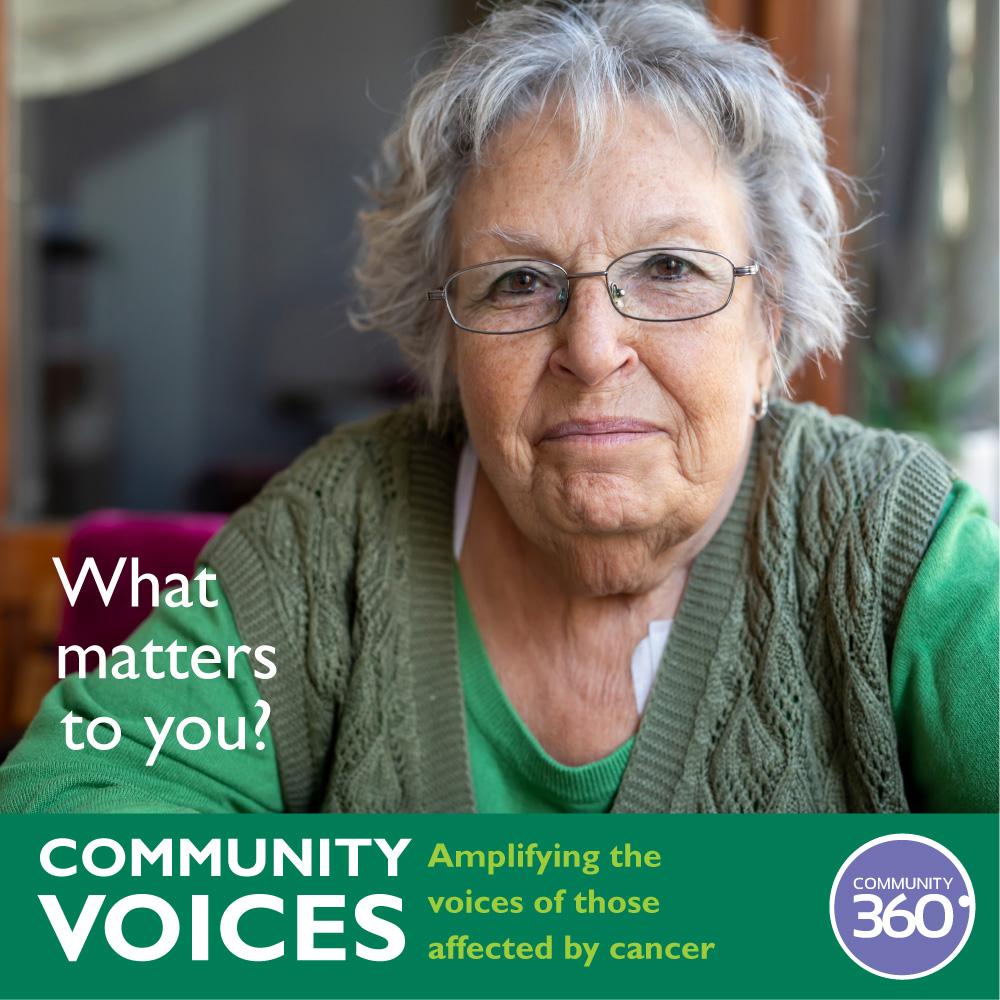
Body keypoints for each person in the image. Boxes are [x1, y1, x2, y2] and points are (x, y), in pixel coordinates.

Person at [1, 0, 997, 814]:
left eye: (668, 268)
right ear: (442, 334)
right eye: (518, 281)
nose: (593, 349)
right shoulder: (332, 532)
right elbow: (71, 825)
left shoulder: (890, 540)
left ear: (768, 320)